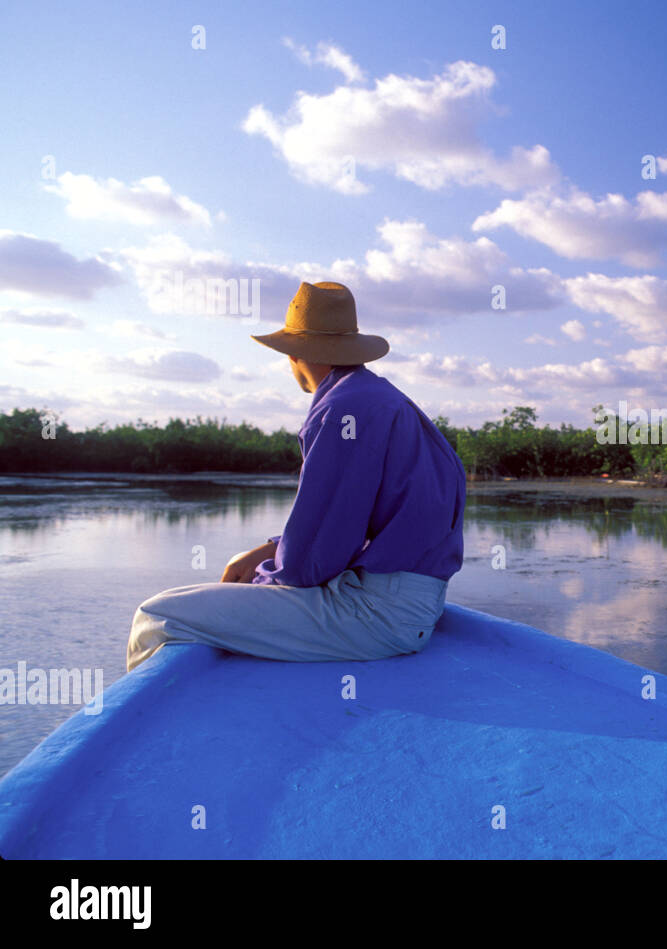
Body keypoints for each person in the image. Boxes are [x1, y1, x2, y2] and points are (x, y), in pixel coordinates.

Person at [126, 281, 466, 672]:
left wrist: (261, 581)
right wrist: (269, 549)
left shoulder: (342, 410)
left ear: (294, 352)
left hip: (377, 616)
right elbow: (354, 520)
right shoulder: (387, 400)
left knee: (155, 616)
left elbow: (309, 564)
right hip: (414, 605)